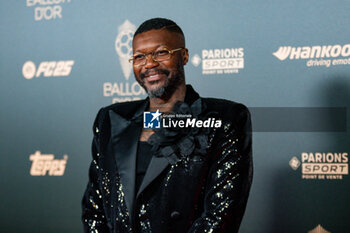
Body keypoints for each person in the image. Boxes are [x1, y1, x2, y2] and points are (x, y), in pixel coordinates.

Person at [82, 18, 253, 233]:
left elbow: (219, 218)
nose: (149, 63)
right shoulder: (110, 119)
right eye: (139, 56)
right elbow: (94, 207)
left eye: (161, 52)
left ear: (184, 55)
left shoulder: (225, 119)